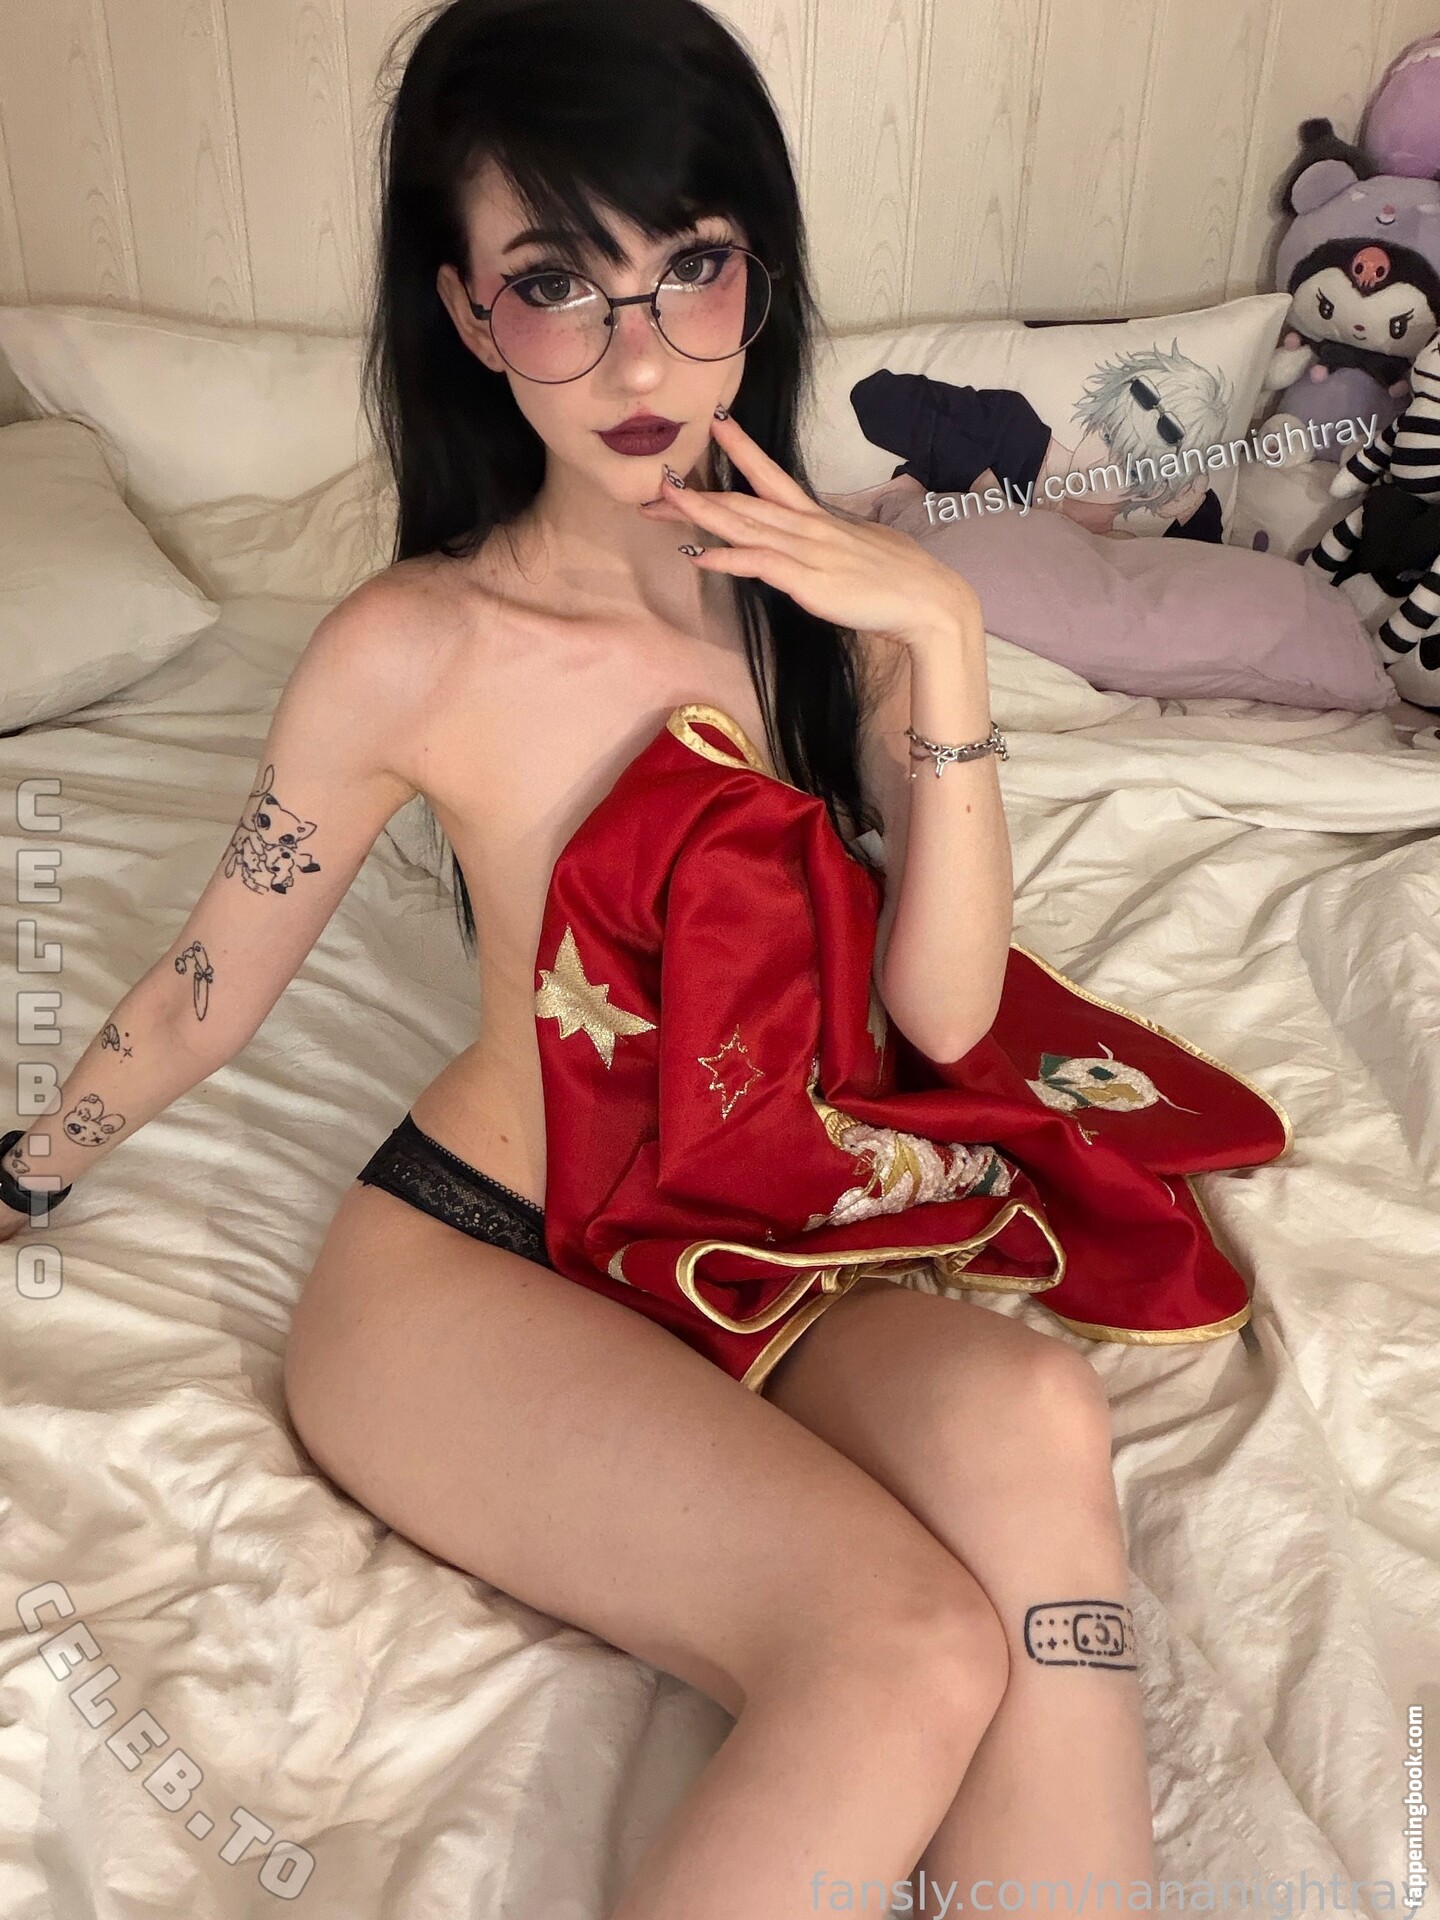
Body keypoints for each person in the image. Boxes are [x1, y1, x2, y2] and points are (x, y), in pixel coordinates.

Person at [0, 2, 1163, 1911]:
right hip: (484, 1266)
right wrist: (33, 1163)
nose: (639, 357)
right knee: (903, 1650)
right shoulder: (412, 646)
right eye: (556, 285)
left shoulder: (838, 600)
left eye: (691, 266)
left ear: (760, 273)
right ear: (468, 317)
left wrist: (942, 645)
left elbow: (945, 1013)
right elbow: (209, 985)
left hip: (766, 1235)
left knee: (1040, 1417)